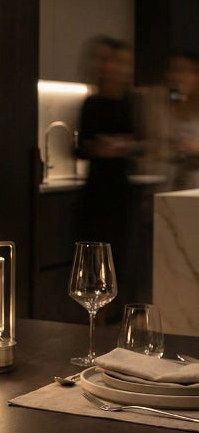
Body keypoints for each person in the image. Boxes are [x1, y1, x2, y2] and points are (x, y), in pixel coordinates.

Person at [75, 37, 143, 310]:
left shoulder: (133, 103)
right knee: (92, 259)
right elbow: (81, 147)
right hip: (96, 191)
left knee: (123, 259)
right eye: (108, 61)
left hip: (124, 192)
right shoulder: (91, 103)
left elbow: (147, 143)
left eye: (119, 62)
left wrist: (126, 146)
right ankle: (95, 317)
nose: (113, 68)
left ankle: (122, 318)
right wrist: (99, 148)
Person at [166, 51, 199, 189]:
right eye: (174, 70)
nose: (178, 77)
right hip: (171, 186)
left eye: (184, 70)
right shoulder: (165, 107)